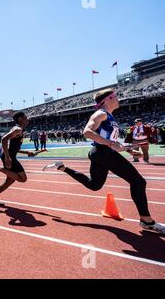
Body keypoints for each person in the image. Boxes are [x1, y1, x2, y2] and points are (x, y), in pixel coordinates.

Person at [43, 89, 165, 234]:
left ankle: (62, 167)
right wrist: (109, 144)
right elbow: (87, 132)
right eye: (115, 97)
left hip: (101, 153)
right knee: (138, 182)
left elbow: (111, 141)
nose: (118, 99)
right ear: (107, 100)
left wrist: (127, 150)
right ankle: (146, 221)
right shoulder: (100, 113)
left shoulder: (110, 117)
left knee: (94, 185)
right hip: (102, 153)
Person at [0, 112, 42, 205]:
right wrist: (7, 157)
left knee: (10, 179)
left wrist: (27, 152)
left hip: (10, 156)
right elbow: (4, 139)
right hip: (9, 157)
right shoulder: (18, 129)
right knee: (23, 178)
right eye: (25, 117)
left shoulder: (19, 130)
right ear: (20, 119)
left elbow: (13, 148)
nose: (27, 119)